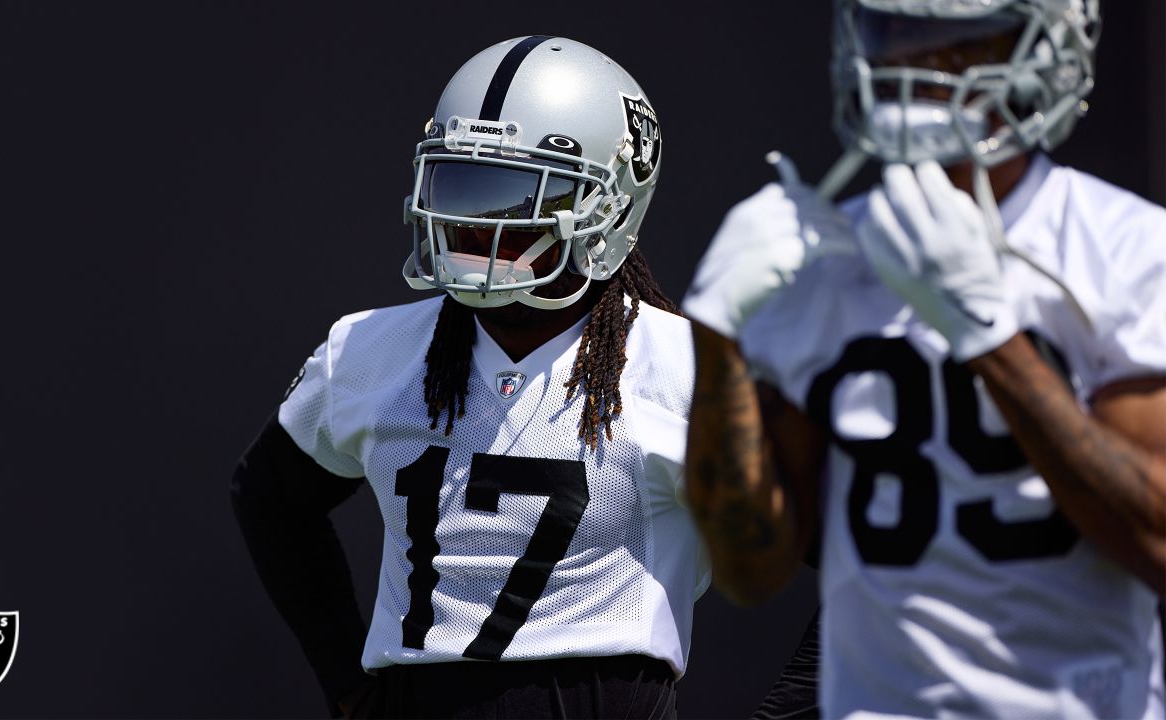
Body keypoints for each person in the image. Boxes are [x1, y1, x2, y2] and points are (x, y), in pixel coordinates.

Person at [682, 0, 1165, 717]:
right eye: (894, 31)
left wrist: (988, 340)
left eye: (962, 39)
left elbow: (1155, 541)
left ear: (1046, 47)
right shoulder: (821, 260)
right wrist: (717, 339)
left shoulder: (1128, 248)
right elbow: (749, 572)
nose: (918, 62)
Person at [232, 36, 710, 719]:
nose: (476, 231)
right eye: (461, 192)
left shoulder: (687, 371)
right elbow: (268, 497)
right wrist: (349, 686)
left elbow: (848, 550)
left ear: (610, 210)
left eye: (515, 204)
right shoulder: (370, 350)